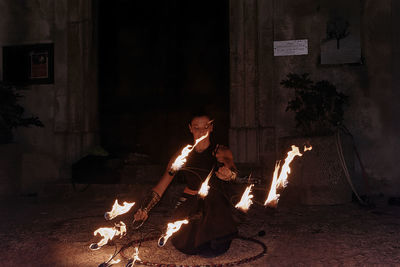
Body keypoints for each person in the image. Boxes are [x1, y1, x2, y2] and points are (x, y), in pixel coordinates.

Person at [134, 110, 239, 257]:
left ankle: (215, 236)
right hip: (189, 204)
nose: (201, 131)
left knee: (214, 245)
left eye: (205, 127)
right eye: (196, 127)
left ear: (211, 128)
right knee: (187, 243)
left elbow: (232, 170)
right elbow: (162, 185)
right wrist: (145, 209)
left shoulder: (220, 150)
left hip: (214, 206)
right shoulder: (182, 155)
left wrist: (229, 174)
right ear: (190, 128)